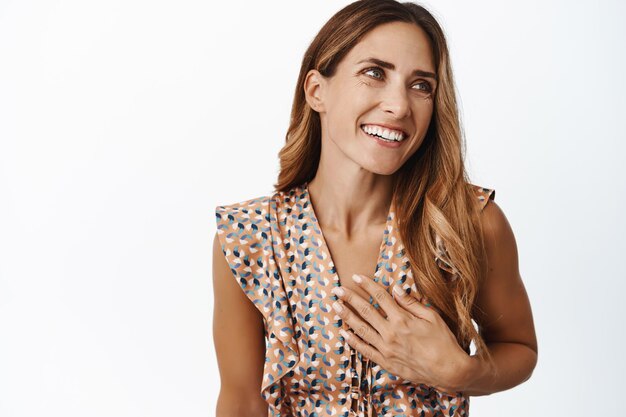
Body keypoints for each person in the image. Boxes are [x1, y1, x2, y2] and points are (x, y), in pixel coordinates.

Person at [212, 0, 537, 416]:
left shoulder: (469, 221)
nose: (400, 105)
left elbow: (520, 348)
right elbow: (241, 400)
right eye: (374, 73)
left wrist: (461, 373)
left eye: (421, 85)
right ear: (317, 90)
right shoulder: (250, 238)